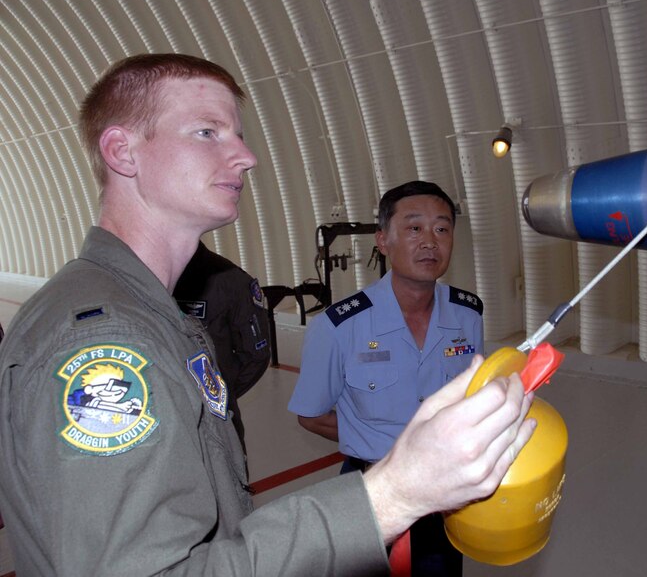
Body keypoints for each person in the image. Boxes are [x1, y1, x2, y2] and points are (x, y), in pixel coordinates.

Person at [0, 53, 536, 576]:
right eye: (207, 132)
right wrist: (394, 493)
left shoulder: (156, 315)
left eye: (238, 135)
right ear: (123, 152)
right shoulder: (109, 343)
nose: (247, 156)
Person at [288, 180, 483, 576]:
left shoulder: (468, 315)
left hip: (445, 488)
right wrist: (386, 446)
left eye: (442, 228)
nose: (430, 241)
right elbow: (311, 414)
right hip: (371, 488)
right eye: (414, 228)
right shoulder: (339, 325)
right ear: (382, 240)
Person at [174, 241, 271, 452]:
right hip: (169, 421)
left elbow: (256, 356)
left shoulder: (228, 280)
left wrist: (218, 394)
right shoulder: (143, 278)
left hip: (217, 419)